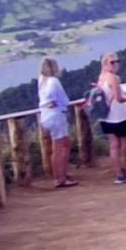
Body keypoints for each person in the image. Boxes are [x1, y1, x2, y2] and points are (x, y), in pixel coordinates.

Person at [95, 51, 126, 183]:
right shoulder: (113, 78)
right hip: (120, 116)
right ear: (105, 64)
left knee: (114, 146)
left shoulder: (101, 77)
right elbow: (119, 98)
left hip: (106, 117)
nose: (116, 64)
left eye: (117, 61)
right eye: (112, 62)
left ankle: (119, 174)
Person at [37, 58, 76, 188]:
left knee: (66, 144)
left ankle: (62, 173)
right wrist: (55, 103)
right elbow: (55, 98)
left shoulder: (41, 80)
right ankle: (59, 178)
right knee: (58, 148)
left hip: (46, 115)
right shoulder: (53, 81)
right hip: (55, 115)